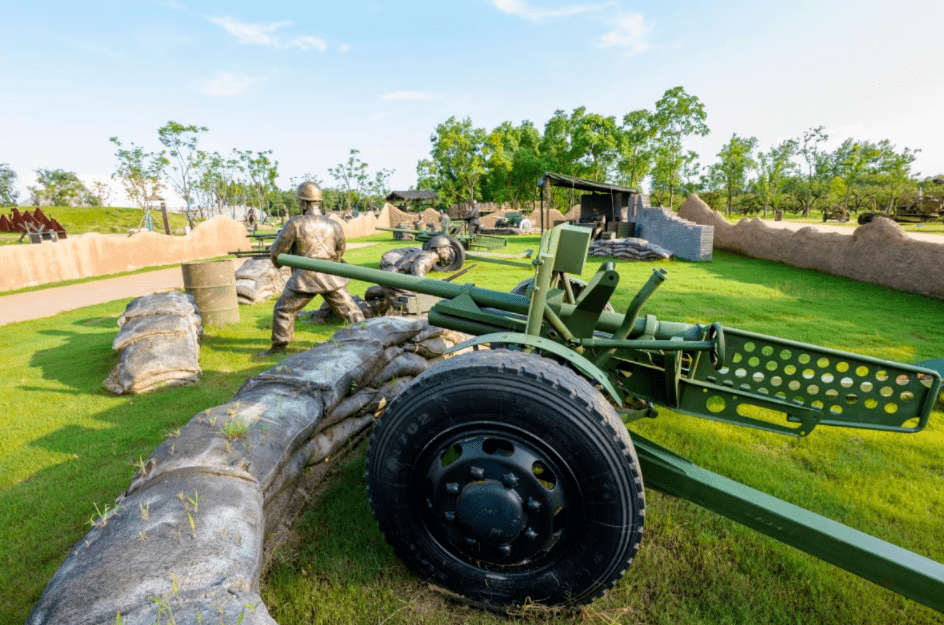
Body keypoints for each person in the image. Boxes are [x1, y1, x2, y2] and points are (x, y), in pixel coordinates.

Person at [259, 181, 365, 356]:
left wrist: (278, 263)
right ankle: (366, 338)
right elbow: (340, 251)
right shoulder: (334, 224)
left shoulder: (294, 223)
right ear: (319, 202)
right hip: (330, 274)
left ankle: (279, 346)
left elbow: (277, 251)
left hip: (304, 278)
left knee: (283, 309)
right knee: (351, 312)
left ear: (302, 202)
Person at [364, 236, 456, 316]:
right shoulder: (430, 257)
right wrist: (426, 286)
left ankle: (372, 292)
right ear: (439, 249)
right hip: (394, 279)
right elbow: (418, 267)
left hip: (392, 276)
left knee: (395, 296)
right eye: (446, 249)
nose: (449, 251)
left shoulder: (426, 254)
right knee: (404, 304)